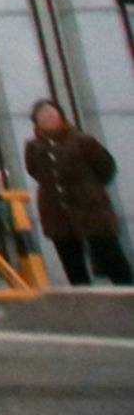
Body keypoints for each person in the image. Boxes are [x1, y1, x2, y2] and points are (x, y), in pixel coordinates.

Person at [26, 100, 129, 288]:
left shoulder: (83, 141)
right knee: (73, 265)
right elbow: (34, 171)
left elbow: (106, 167)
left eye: (51, 114)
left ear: (60, 116)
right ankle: (84, 304)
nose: (48, 119)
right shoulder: (34, 147)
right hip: (57, 213)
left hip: (91, 210)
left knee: (110, 256)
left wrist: (90, 190)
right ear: (36, 121)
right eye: (42, 116)